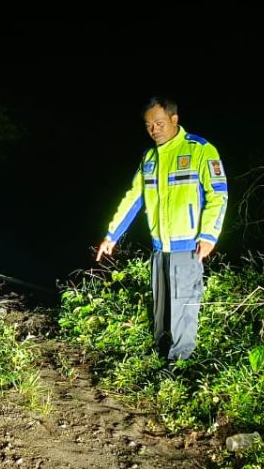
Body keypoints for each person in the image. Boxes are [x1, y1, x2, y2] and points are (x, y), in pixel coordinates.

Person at [95, 96, 228, 363]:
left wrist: (209, 235)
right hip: (159, 247)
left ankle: (180, 362)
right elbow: (134, 198)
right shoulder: (149, 158)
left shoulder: (200, 150)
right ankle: (160, 354)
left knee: (185, 305)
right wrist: (112, 235)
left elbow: (218, 194)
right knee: (162, 306)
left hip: (188, 245)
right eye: (148, 125)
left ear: (174, 119)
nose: (154, 129)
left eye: (159, 123)